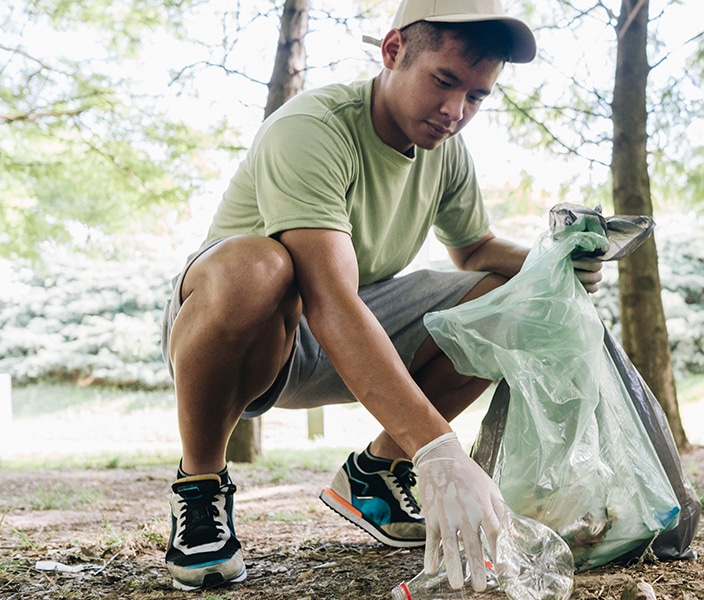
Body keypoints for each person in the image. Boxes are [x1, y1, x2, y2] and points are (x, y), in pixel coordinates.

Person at [158, 0, 602, 591]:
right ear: (393, 52)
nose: (454, 111)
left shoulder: (444, 150)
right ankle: (201, 487)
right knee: (260, 266)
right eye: (443, 81)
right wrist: (440, 451)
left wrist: (556, 263)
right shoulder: (312, 129)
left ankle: (375, 477)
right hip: (248, 332)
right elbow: (329, 299)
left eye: (475, 96)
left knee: (513, 300)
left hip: (350, 323)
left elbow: (475, 250)